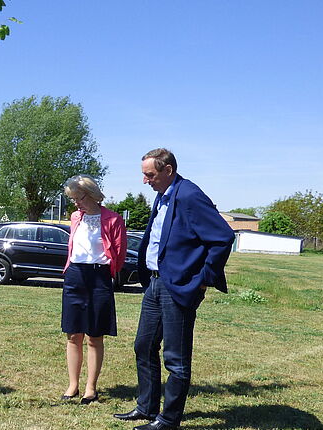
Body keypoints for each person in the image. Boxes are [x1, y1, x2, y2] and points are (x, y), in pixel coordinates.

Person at [114, 148, 234, 430]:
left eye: (150, 175)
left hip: (178, 286)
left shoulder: (190, 195)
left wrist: (204, 279)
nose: (145, 180)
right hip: (155, 283)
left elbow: (222, 237)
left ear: (168, 170)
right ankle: (146, 407)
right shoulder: (163, 194)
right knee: (143, 346)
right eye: (143, 175)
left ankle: (168, 420)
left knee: (176, 359)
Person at [60, 174, 127, 404]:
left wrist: (106, 274)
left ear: (91, 195)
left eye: (78, 198)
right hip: (75, 276)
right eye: (73, 199)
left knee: (94, 336)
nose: (76, 203)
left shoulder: (113, 219)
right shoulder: (75, 217)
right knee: (72, 334)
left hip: (99, 278)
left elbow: (119, 253)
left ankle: (91, 388)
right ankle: (73, 385)